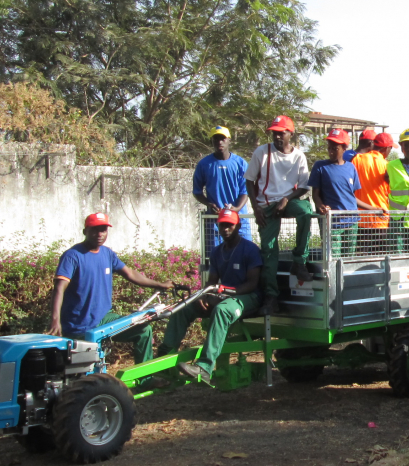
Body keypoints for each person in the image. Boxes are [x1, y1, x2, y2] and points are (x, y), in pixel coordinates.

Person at [46, 213, 173, 387]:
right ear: (85, 231)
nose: (99, 234)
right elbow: (59, 288)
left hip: (104, 319)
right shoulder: (72, 256)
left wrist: (159, 284)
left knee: (142, 330)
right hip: (79, 324)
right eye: (95, 230)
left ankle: (146, 380)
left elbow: (130, 274)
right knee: (82, 379)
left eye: (103, 230)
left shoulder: (107, 254)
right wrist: (55, 321)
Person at [159, 209, 263, 386]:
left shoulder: (250, 249)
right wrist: (203, 295)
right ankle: (165, 356)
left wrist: (223, 296)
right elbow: (212, 282)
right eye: (222, 225)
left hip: (248, 297)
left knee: (222, 310)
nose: (226, 229)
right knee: (184, 306)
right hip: (223, 295)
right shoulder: (216, 252)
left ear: (238, 226)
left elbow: (252, 283)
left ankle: (205, 367)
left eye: (230, 225)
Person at [246, 115, 313, 315]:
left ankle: (299, 261)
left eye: (281, 132)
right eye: (274, 132)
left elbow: (303, 186)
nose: (276, 136)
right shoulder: (262, 152)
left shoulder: (299, 156)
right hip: (265, 204)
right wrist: (256, 208)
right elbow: (249, 180)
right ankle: (271, 297)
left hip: (288, 201)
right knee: (268, 250)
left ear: (290, 134)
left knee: (306, 212)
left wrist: (286, 199)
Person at [311, 129, 384, 258]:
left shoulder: (351, 167)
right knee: (333, 259)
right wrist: (320, 205)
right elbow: (315, 194)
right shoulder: (320, 166)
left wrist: (374, 209)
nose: (331, 151)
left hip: (351, 222)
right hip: (332, 223)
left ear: (344, 148)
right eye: (329, 148)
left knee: (348, 260)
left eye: (335, 148)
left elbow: (352, 197)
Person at [193, 126, 251, 248]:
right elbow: (197, 191)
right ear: (212, 142)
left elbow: (245, 191)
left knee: (244, 252)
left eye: (223, 139)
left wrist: (236, 208)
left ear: (229, 140)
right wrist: (209, 204)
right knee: (215, 255)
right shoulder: (204, 164)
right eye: (216, 139)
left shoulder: (240, 163)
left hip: (239, 218)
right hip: (216, 220)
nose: (219, 142)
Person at [354, 130, 392, 254]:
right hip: (381, 219)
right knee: (379, 261)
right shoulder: (387, 166)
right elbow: (390, 193)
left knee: (360, 257)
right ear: (387, 148)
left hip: (361, 220)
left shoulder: (357, 160)